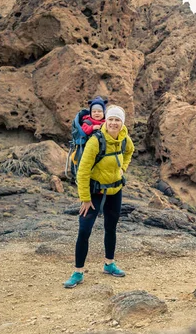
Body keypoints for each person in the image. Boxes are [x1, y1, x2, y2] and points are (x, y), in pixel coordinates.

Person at [64, 105, 135, 288]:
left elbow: (129, 152)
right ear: (106, 120)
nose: (113, 123)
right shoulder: (96, 141)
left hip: (114, 191)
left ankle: (109, 264)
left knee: (111, 228)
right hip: (94, 193)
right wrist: (85, 198)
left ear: (122, 122)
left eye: (117, 120)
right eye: (111, 119)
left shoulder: (124, 139)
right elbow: (82, 171)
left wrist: (123, 168)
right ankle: (78, 272)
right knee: (84, 230)